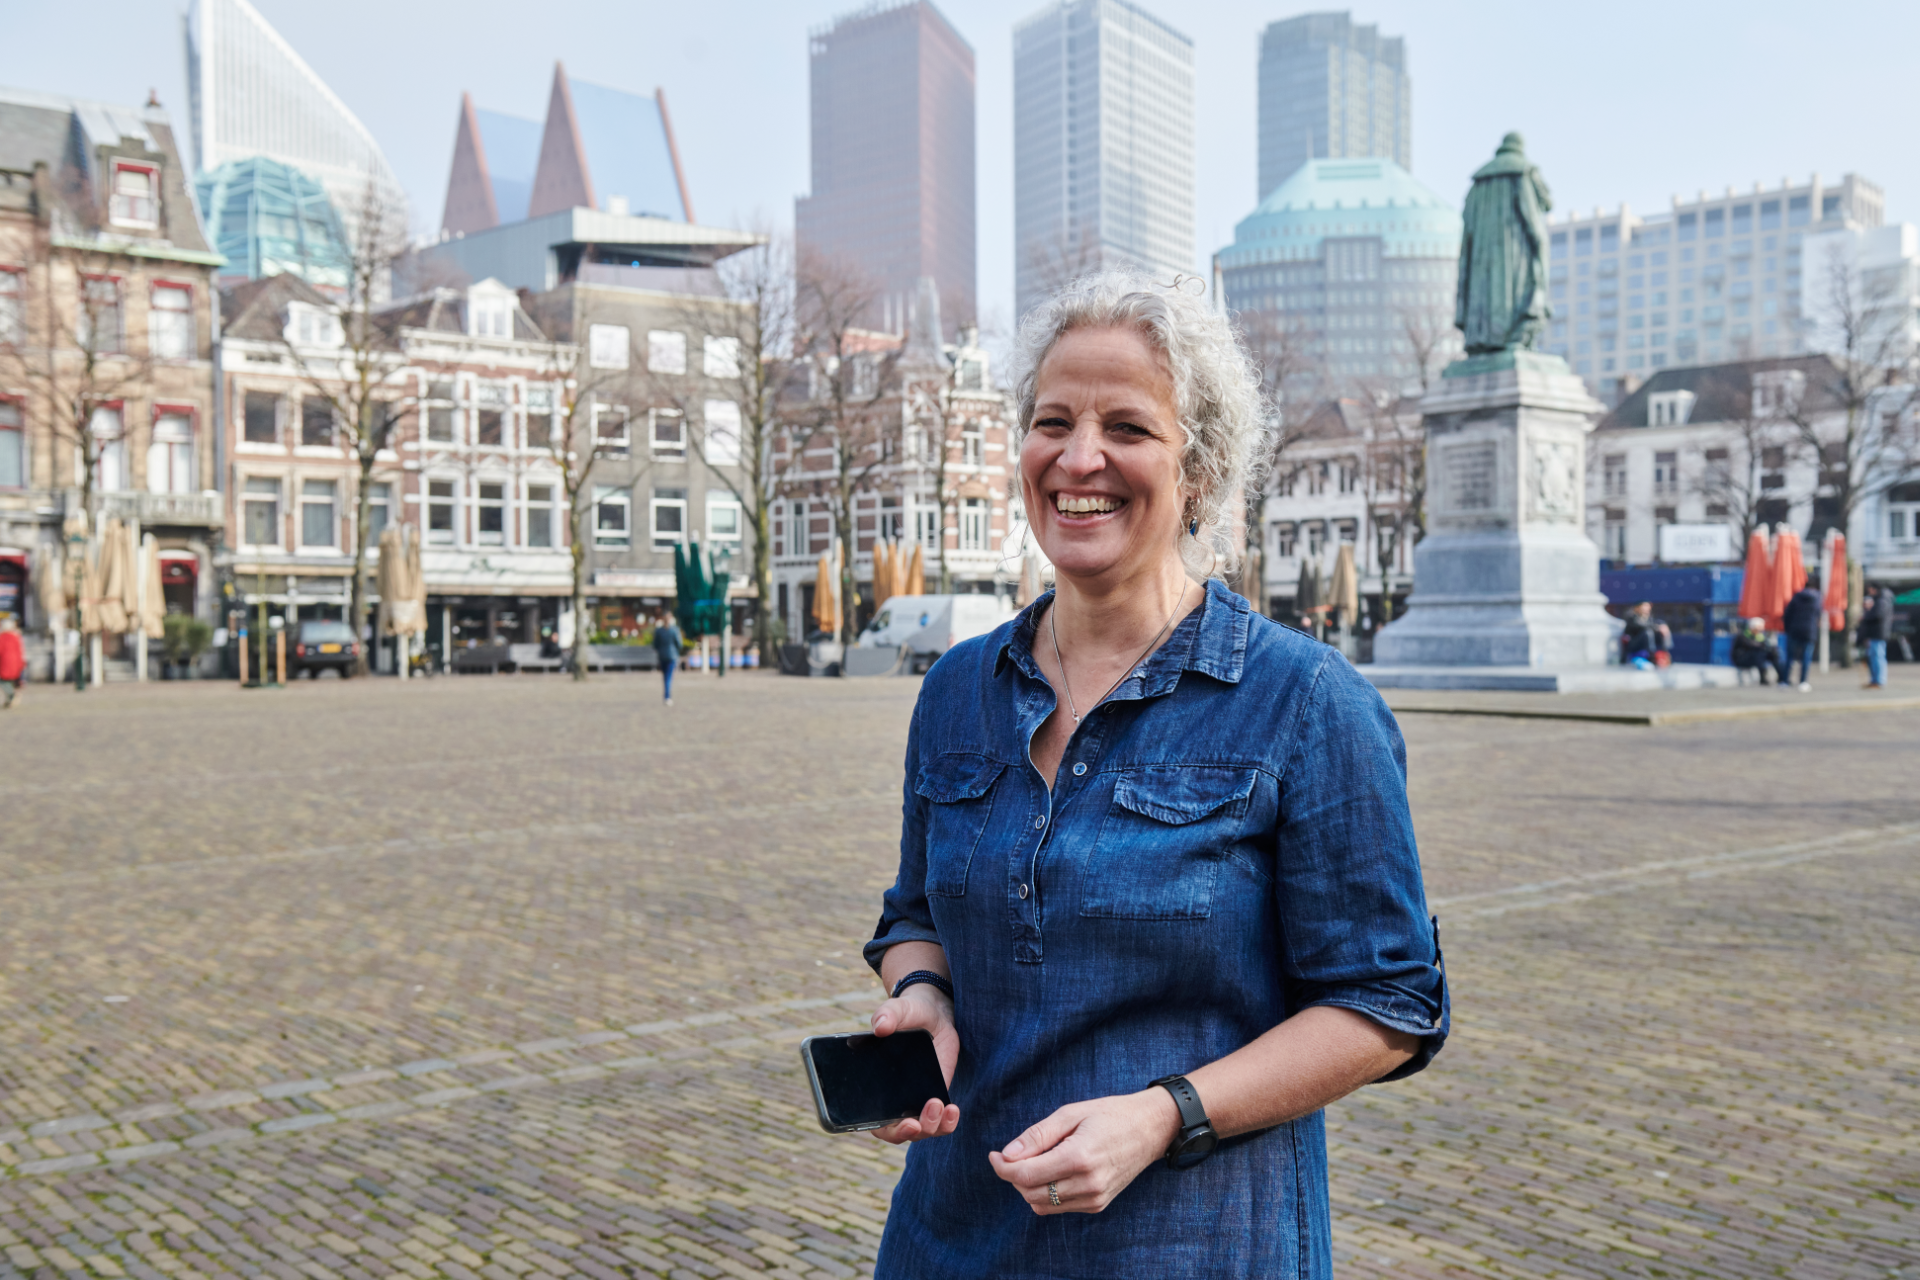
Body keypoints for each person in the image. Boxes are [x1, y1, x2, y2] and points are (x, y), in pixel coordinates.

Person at [861, 272, 1446, 1279]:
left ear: (1200, 471)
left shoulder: (1304, 701)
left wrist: (1163, 1115)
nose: (1078, 457)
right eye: (1053, 420)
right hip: (950, 1240)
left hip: (1196, 1243)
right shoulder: (957, 688)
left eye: (1126, 427)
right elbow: (913, 909)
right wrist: (921, 995)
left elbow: (1389, 1002)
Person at [1780, 580, 1823, 692]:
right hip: (1809, 632)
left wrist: (1788, 629)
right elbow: (1818, 617)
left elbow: (1787, 615)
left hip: (1793, 630)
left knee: (1789, 657)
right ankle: (1803, 682)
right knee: (1806, 658)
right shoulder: (1817, 599)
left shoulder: (1795, 597)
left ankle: (1784, 681)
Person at [1859, 583, 1893, 689]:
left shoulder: (1882, 601)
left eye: (1870, 589)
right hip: (1877, 633)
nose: (1869, 592)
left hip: (1878, 633)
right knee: (1875, 657)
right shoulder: (1882, 600)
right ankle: (1875, 680)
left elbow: (1878, 615)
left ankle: (1879, 681)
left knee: (1877, 657)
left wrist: (1866, 616)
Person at [1619, 602, 1672, 668]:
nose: (1647, 608)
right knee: (1648, 632)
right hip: (1635, 644)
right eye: (1644, 606)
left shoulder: (1649, 618)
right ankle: (1651, 655)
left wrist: (1662, 627)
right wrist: (1657, 627)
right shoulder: (1631, 617)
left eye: (1648, 606)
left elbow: (1653, 625)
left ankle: (1665, 653)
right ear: (1638, 608)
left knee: (1664, 630)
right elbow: (1640, 626)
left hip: (1646, 642)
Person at [1730, 617, 1777, 686]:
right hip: (1741, 659)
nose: (1761, 630)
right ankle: (1763, 677)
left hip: (1754, 658)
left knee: (1773, 654)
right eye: (1759, 628)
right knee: (1758, 654)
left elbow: (1762, 646)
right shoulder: (1743, 635)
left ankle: (1781, 678)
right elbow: (1751, 645)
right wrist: (1761, 646)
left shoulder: (1760, 636)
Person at [651, 613, 682, 704]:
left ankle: (666, 695)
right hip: (672, 656)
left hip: (662, 656)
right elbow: (679, 644)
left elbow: (655, 644)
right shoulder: (674, 630)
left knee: (665, 676)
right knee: (669, 676)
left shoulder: (659, 631)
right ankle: (667, 696)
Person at [0, 614, 24, 709]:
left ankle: (11, 695)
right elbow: (20, 650)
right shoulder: (16, 637)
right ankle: (9, 699)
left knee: (3, 681)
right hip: (15, 662)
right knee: (11, 681)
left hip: (5, 662)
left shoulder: (2, 637)